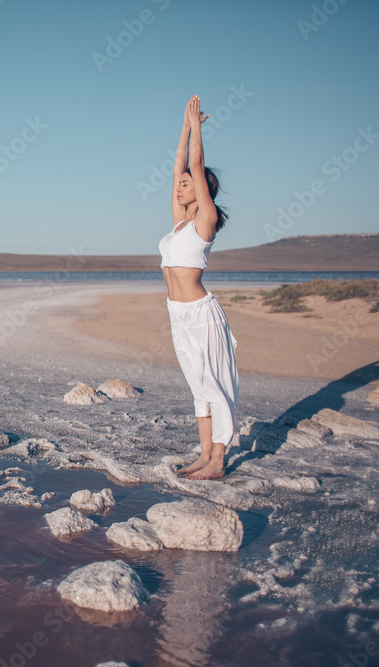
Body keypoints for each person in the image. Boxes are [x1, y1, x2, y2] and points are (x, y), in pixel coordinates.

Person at [159, 95, 238, 480]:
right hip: (177, 314)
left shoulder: (204, 221)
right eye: (180, 185)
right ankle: (205, 454)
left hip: (201, 315)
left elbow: (193, 164)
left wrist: (199, 129)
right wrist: (185, 126)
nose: (179, 186)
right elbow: (179, 166)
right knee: (197, 386)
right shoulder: (178, 221)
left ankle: (218, 462)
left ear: (203, 190)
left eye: (188, 185)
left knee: (215, 384)